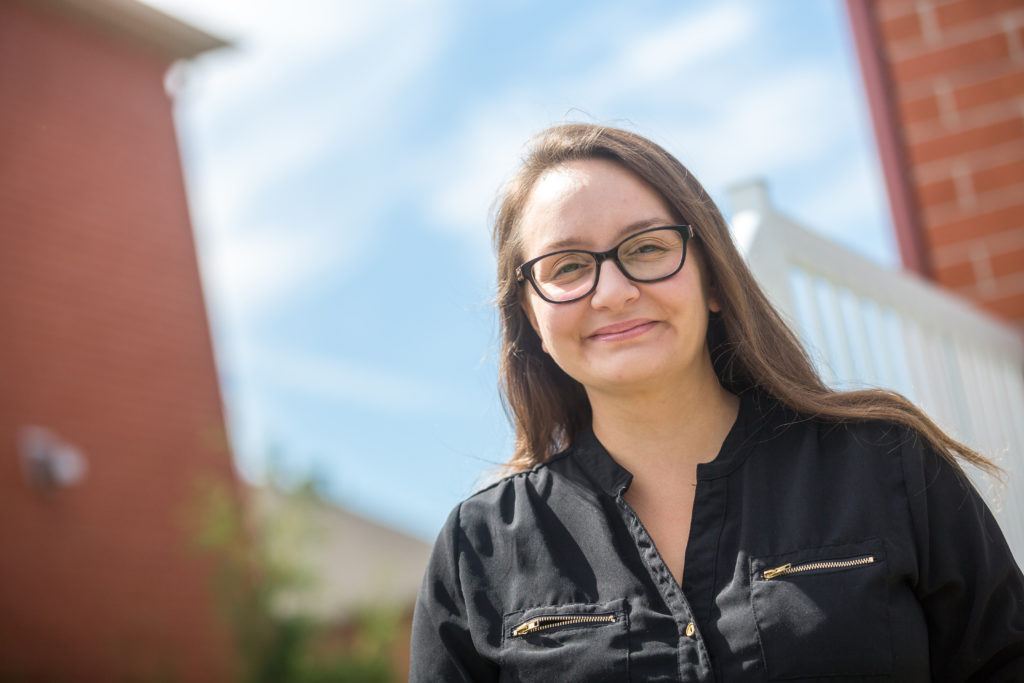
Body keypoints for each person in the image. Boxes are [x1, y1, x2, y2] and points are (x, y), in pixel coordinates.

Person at [409, 123, 1024, 681]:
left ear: (712, 279)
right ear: (532, 316)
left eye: (647, 248)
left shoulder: (883, 462)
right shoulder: (477, 550)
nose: (614, 291)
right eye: (568, 266)